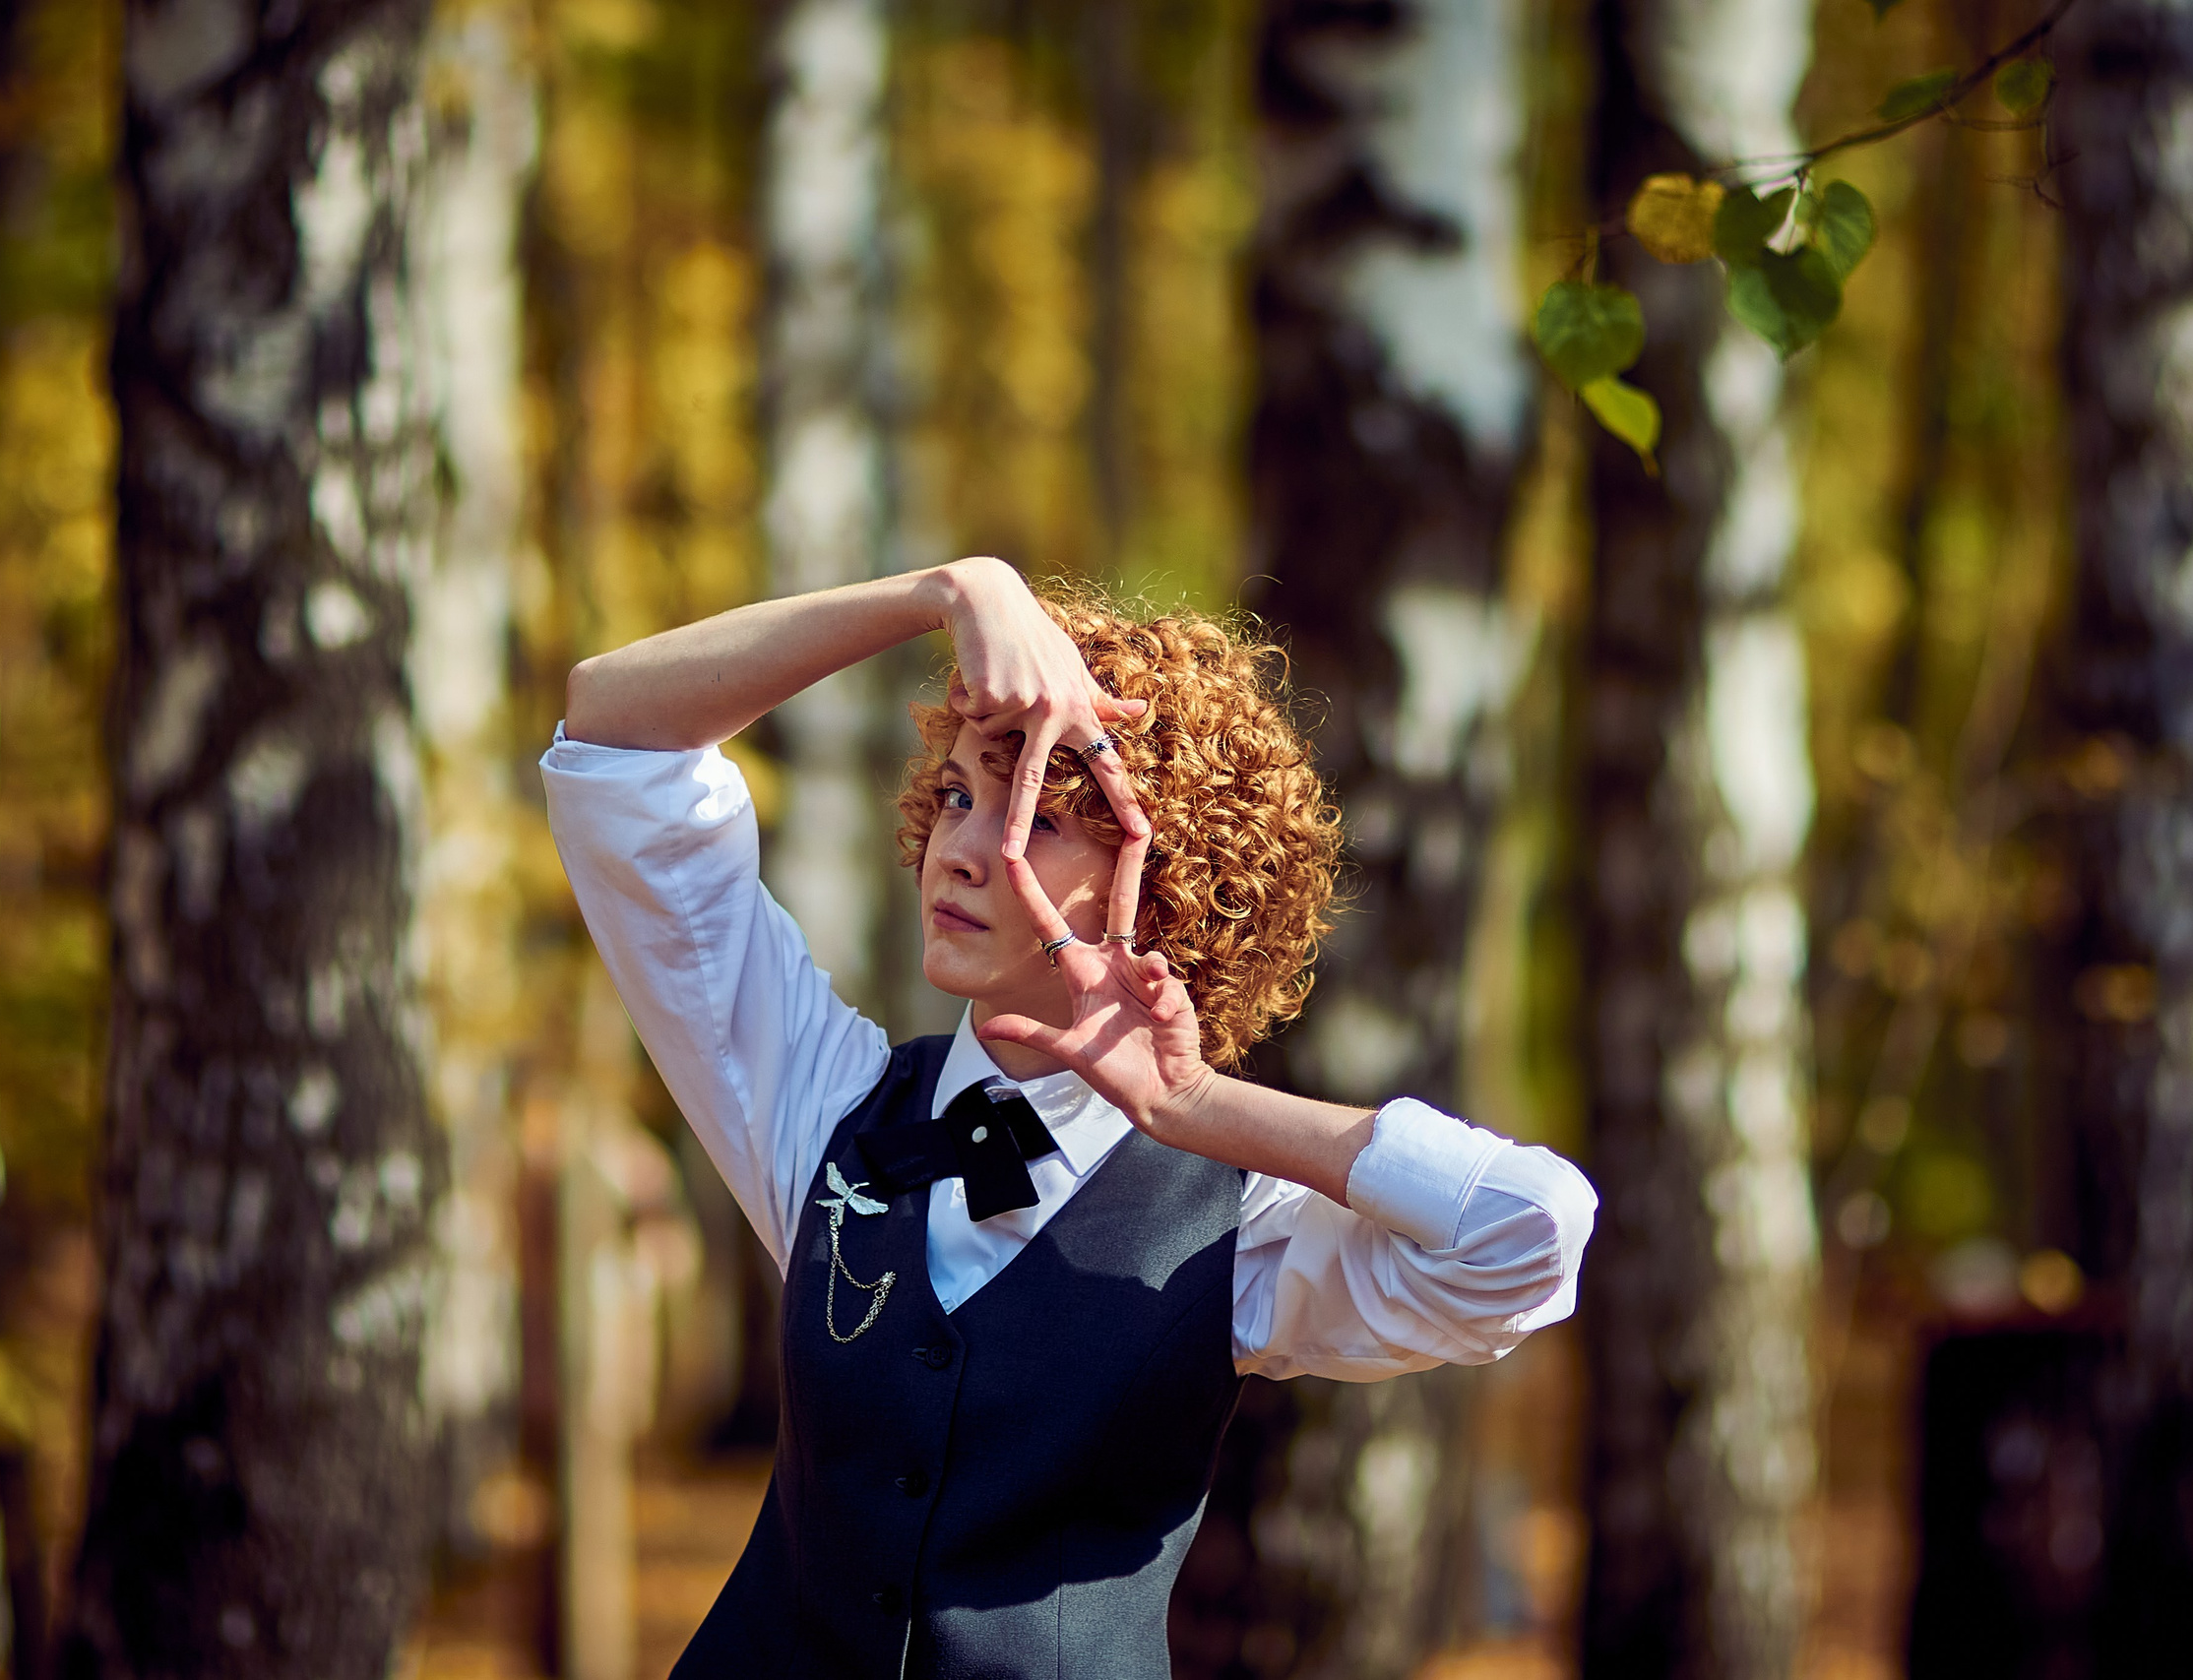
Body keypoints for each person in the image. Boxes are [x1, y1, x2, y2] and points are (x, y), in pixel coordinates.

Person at [541, 556, 1596, 1679]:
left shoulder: (1247, 1226)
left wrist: (1194, 1106)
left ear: (1173, 882)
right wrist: (945, 593)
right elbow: (617, 736)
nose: (958, 846)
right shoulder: (821, 1104)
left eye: (1034, 816)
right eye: (955, 793)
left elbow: (1529, 1233)